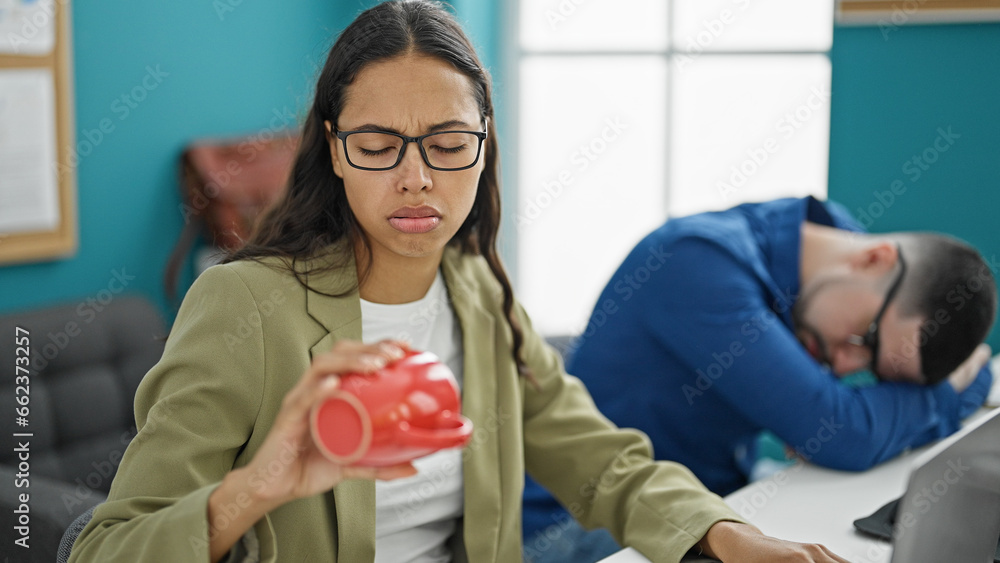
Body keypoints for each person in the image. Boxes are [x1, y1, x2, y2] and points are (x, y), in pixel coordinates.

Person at [66, 3, 853, 562]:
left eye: (446, 142)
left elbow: (601, 460)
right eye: (378, 144)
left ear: (483, 148)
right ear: (335, 150)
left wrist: (723, 533)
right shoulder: (244, 306)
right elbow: (107, 547)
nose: (415, 178)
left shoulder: (480, 292)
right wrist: (259, 484)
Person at [522, 196, 996, 561]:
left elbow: (838, 425)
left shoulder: (831, 253)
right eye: (866, 339)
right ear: (875, 259)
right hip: (579, 523)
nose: (848, 366)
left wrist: (933, 394)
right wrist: (957, 387)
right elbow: (844, 432)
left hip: (715, 493)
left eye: (874, 370)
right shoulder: (696, 262)